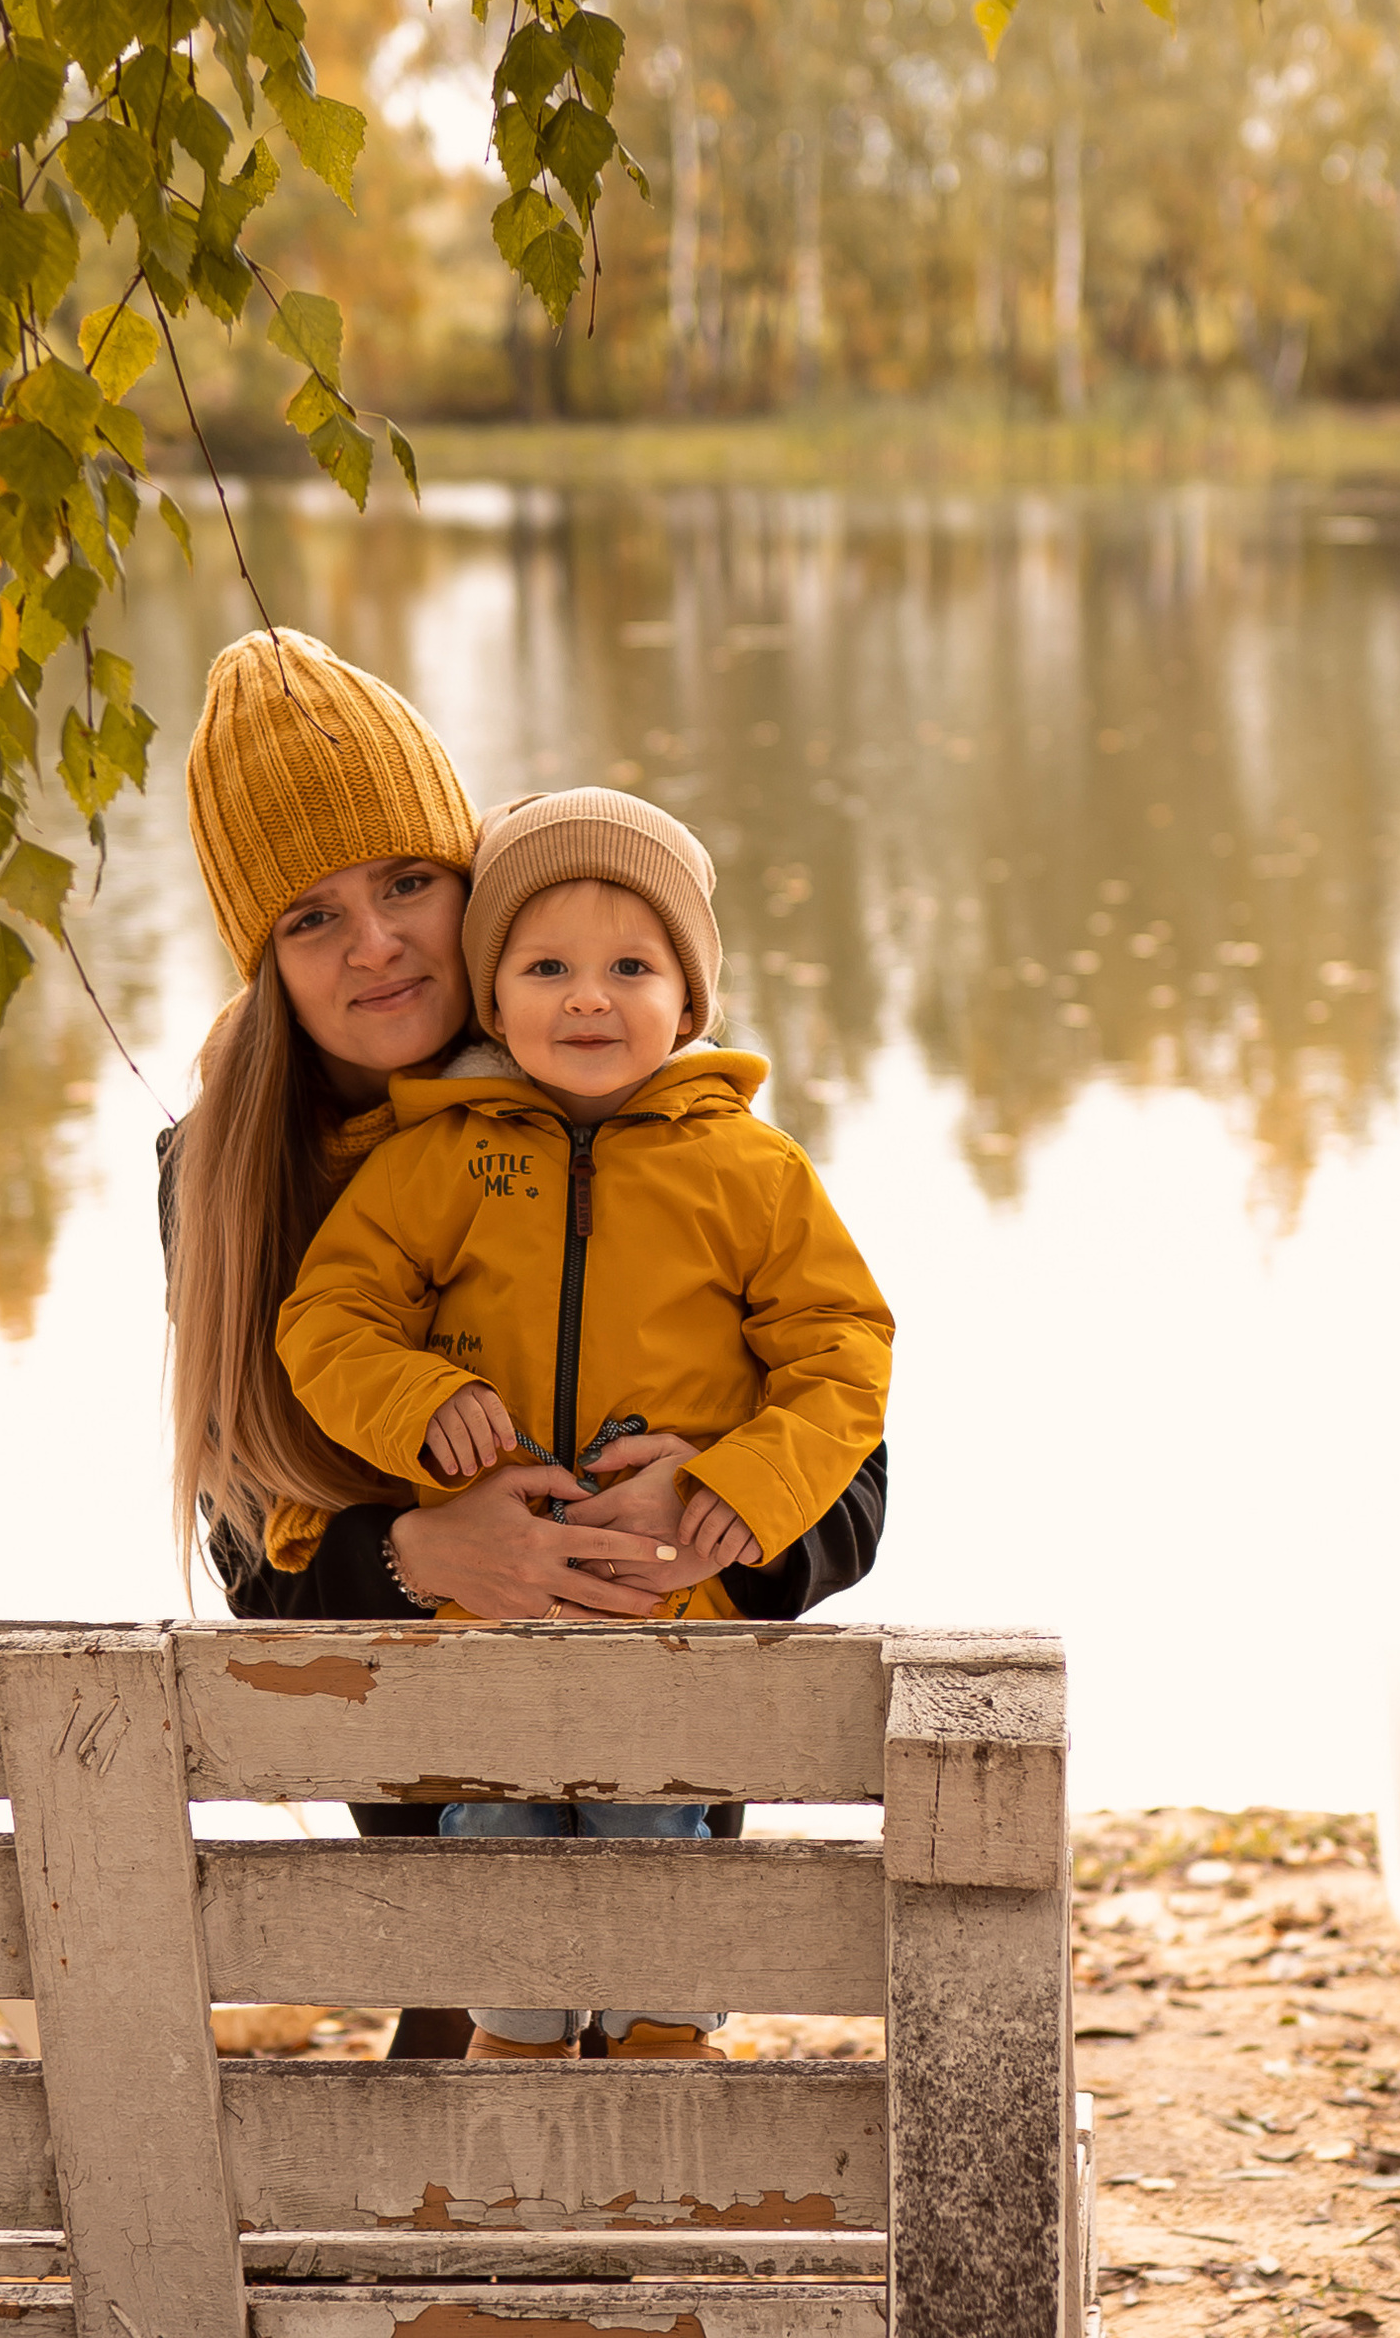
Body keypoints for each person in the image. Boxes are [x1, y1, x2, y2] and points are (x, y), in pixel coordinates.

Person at [159, 628, 890, 2054]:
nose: (372, 941)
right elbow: (254, 1564)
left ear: (473, 884)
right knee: (502, 2049)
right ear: (264, 961)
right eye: (308, 919)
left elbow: (853, 1480)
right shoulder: (230, 1170)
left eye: (407, 883)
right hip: (433, 1778)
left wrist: (711, 1506)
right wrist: (419, 1555)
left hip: (659, 1722)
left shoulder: (645, 1090)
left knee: (609, 2046)